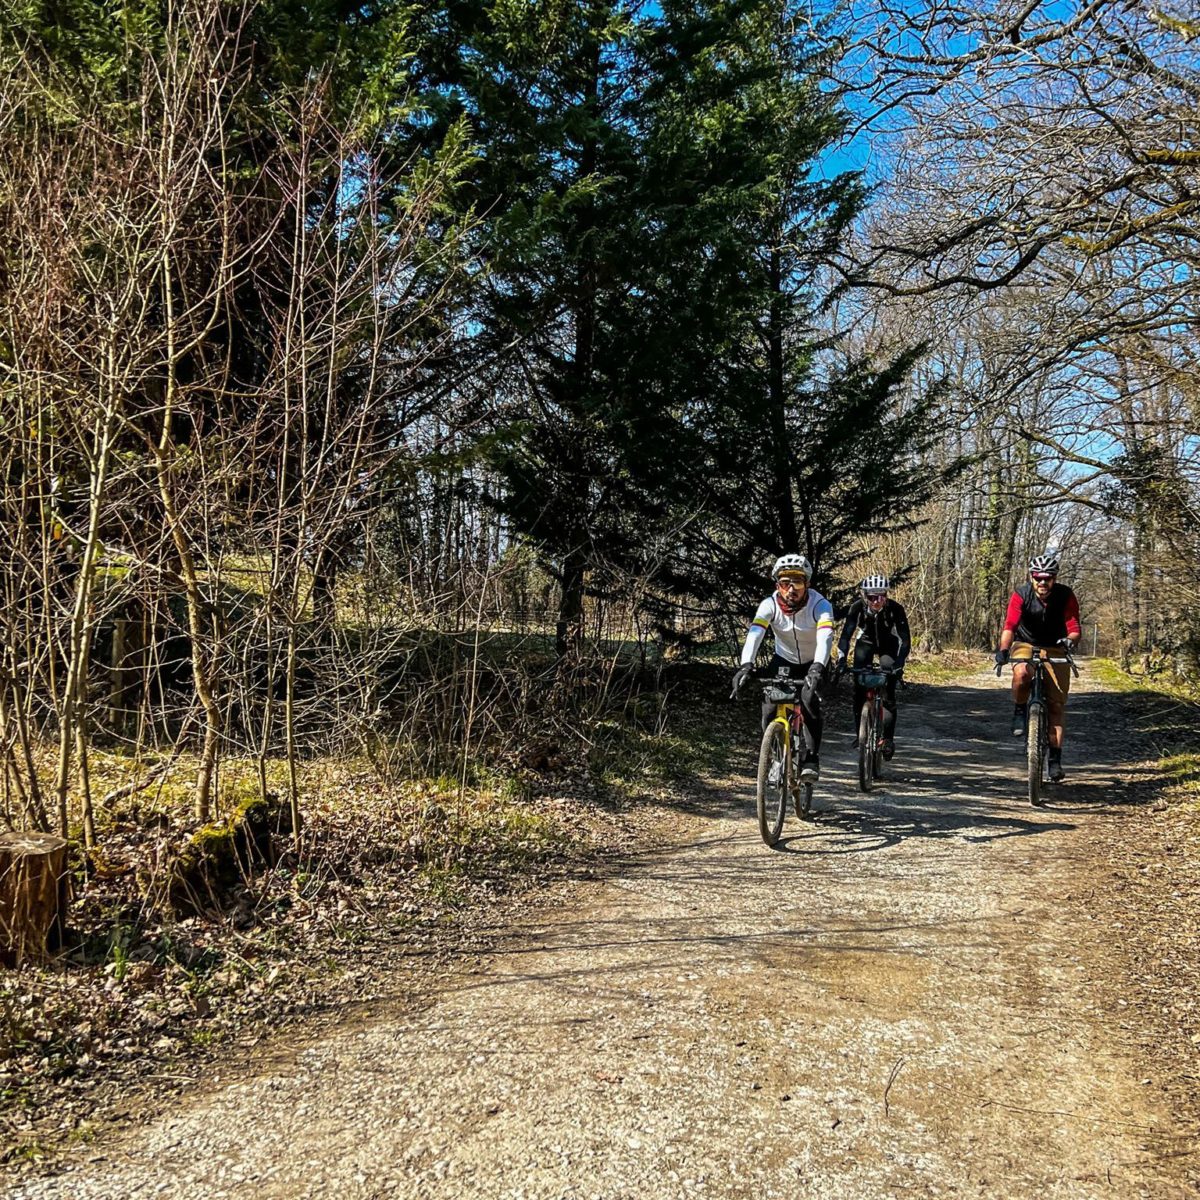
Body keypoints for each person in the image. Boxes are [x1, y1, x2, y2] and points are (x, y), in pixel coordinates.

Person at [732, 554, 834, 781]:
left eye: (797, 582)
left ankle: (811, 759)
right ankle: (776, 754)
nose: (791, 589)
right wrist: (745, 665)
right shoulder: (769, 604)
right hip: (784, 661)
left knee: (808, 701)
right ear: (777, 585)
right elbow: (755, 634)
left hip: (814, 662)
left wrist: (818, 667)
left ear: (807, 583)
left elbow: (826, 637)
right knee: (769, 705)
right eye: (784, 583)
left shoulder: (820, 604)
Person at [994, 552, 1081, 781]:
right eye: (1038, 578)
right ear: (1032, 577)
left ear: (1054, 578)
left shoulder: (1065, 595)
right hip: (1026, 644)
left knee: (1055, 706)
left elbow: (1073, 627)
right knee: (1022, 672)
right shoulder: (1021, 594)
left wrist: (1070, 640)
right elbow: (1010, 625)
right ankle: (1020, 710)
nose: (1043, 582)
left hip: (1055, 647)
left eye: (1048, 578)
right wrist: (1003, 649)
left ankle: (1055, 760)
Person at [835, 573, 910, 759]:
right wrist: (842, 660)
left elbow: (905, 640)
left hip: (888, 645)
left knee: (888, 691)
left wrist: (899, 664)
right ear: (864, 596)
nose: (876, 601)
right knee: (858, 688)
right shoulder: (857, 608)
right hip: (866, 643)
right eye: (872, 597)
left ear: (886, 595)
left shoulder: (895, 609)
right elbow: (845, 637)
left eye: (881, 597)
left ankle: (888, 739)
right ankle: (859, 734)